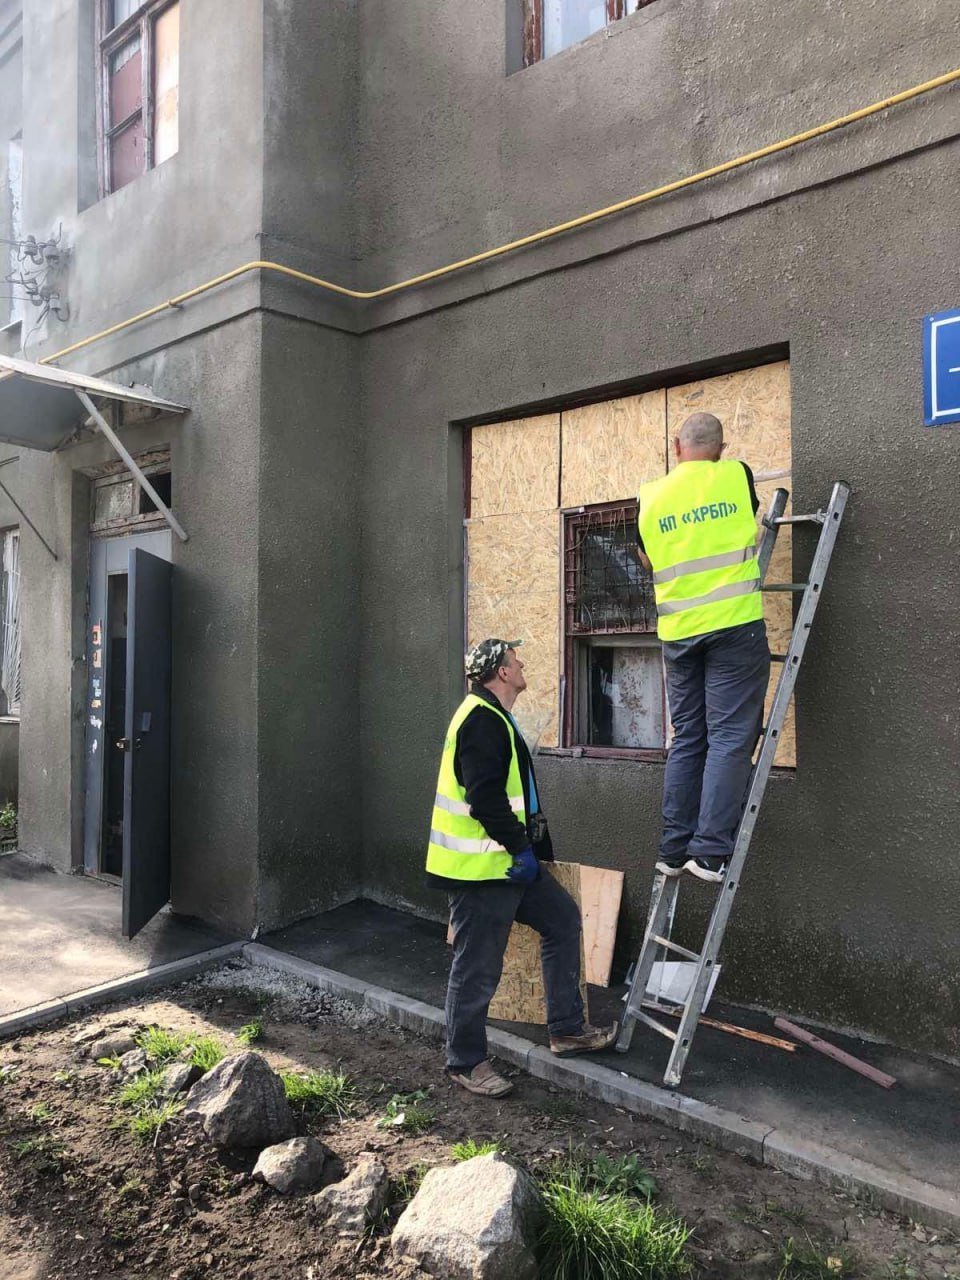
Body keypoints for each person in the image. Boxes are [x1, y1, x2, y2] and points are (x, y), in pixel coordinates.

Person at [427, 638, 618, 1097]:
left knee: (563, 919)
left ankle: (567, 1029)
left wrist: (532, 851)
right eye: (515, 660)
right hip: (482, 871)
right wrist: (519, 849)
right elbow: (485, 800)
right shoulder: (479, 720)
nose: (522, 663)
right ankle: (465, 1062)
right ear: (502, 673)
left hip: (508, 864)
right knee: (476, 969)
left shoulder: (495, 716)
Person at [636, 412, 770, 884]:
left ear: (676, 447)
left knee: (689, 735)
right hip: (734, 627)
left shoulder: (650, 496)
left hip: (678, 634)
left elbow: (646, 556)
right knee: (731, 736)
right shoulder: (736, 475)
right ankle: (710, 852)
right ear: (720, 446)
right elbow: (750, 517)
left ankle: (673, 849)